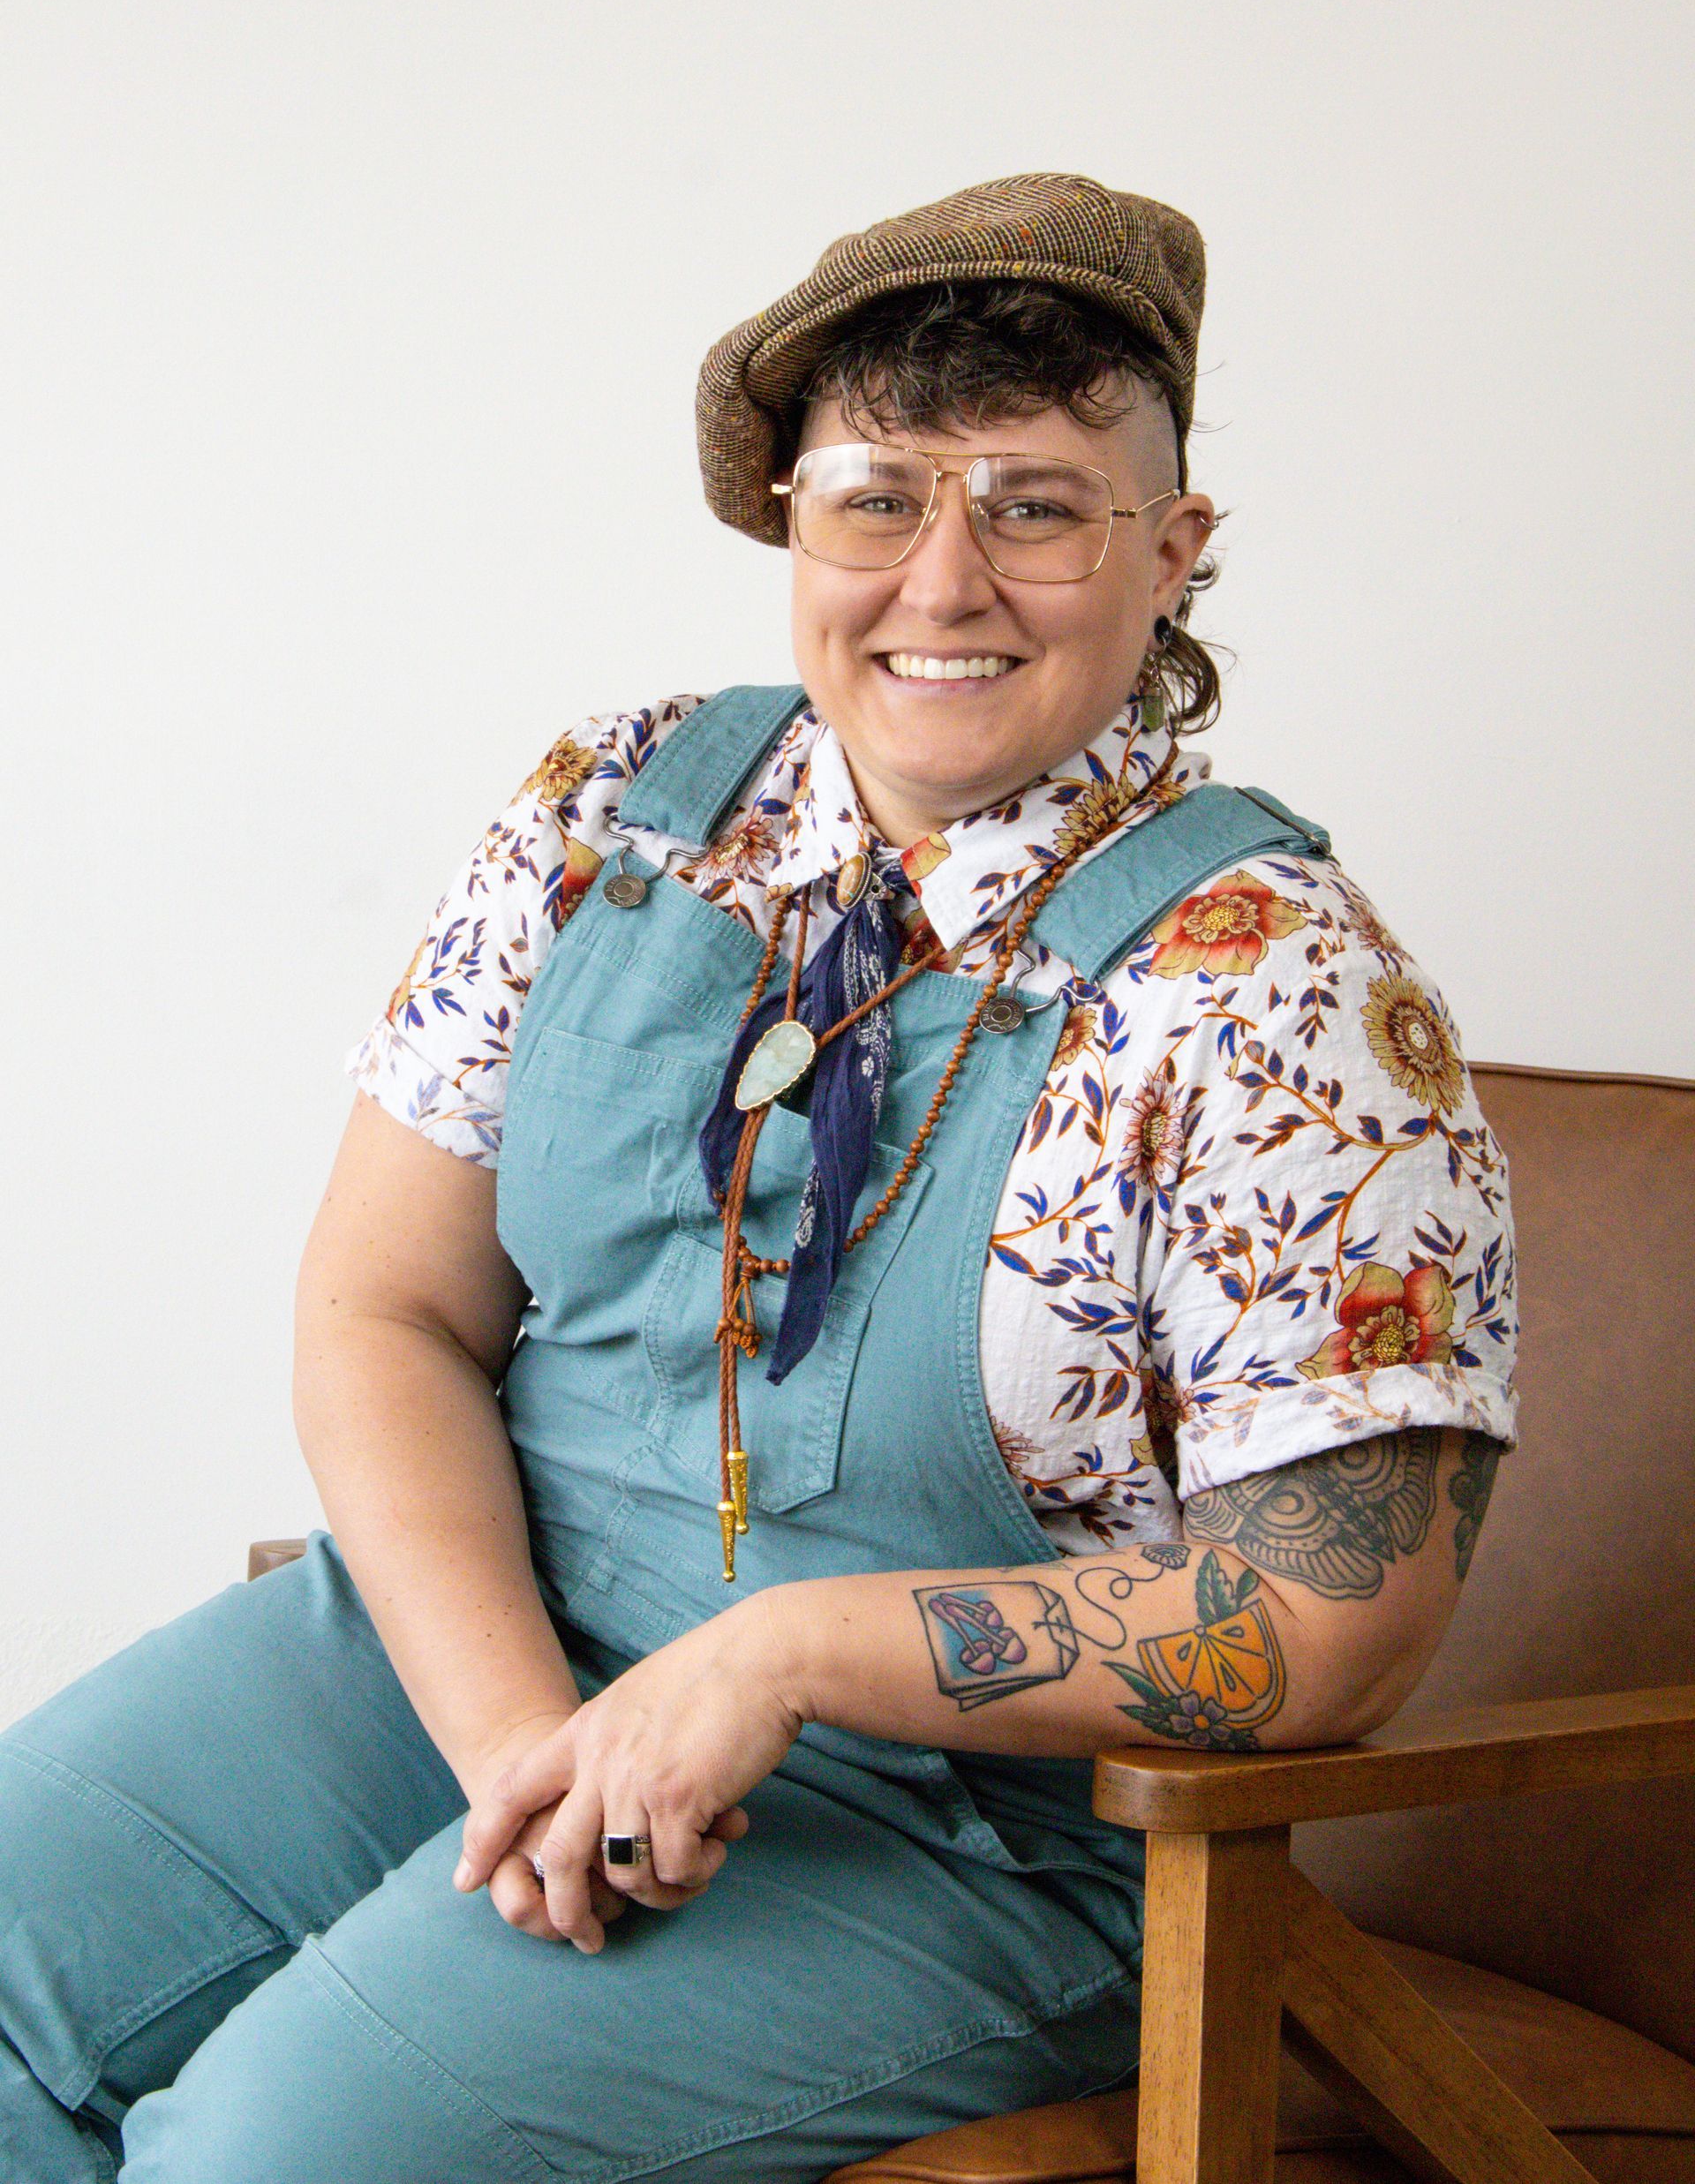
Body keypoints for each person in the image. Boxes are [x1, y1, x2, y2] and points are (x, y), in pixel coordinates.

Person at [0, 172, 1518, 2183]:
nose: (947, 578)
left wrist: (785, 1654)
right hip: (464, 1645)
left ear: (1173, 548)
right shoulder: (611, 813)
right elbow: (387, 1306)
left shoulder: (1278, 992)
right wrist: (528, 1753)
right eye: (880, 494)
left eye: (1038, 503)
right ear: (791, 518)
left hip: (950, 1818)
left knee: (267, 2155)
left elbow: (1331, 1624)